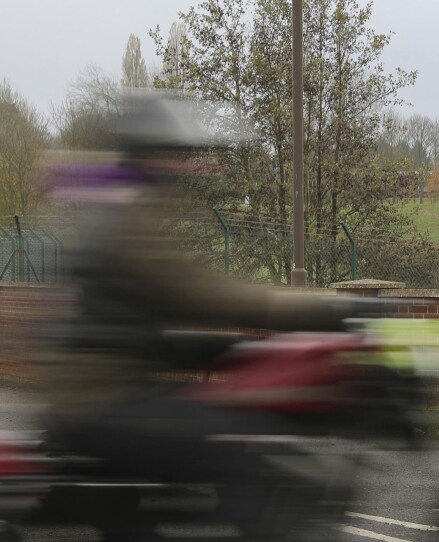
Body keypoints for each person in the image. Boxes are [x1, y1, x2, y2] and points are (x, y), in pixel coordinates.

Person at [35, 90, 372, 540]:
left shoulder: (121, 207)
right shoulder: (127, 220)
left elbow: (137, 318)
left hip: (104, 388)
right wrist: (328, 308)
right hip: (100, 400)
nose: (183, 167)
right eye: (175, 155)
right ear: (152, 155)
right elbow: (194, 291)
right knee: (236, 443)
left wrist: (226, 349)